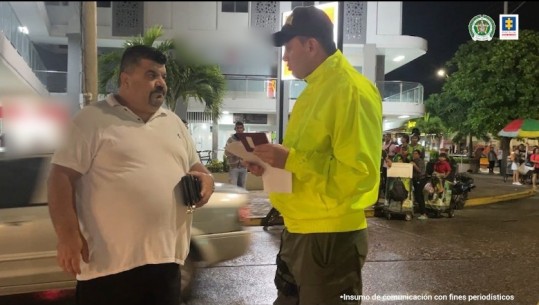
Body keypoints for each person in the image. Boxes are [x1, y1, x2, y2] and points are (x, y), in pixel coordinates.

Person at [47, 45, 215, 305]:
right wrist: (67, 234)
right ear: (126, 79)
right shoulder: (91, 119)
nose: (161, 83)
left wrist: (207, 180)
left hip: (166, 263)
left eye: (163, 77)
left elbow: (197, 168)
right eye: (151, 75)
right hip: (108, 269)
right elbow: (60, 177)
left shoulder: (173, 123)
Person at [246, 6, 382, 305]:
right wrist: (270, 165)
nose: (284, 57)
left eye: (288, 48)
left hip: (328, 237)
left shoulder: (350, 90)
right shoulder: (314, 89)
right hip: (299, 230)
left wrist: (290, 160)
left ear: (311, 45)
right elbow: (303, 159)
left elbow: (358, 176)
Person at [224, 121, 248, 188]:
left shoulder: (247, 139)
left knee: (242, 187)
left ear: (243, 129)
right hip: (234, 167)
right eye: (238, 128)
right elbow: (226, 152)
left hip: (244, 167)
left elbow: (250, 152)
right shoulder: (230, 140)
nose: (239, 129)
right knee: (233, 187)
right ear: (235, 129)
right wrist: (235, 152)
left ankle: (242, 199)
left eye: (241, 128)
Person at [411, 149, 427, 220]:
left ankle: (423, 213)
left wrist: (414, 165)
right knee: (417, 196)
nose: (414, 155)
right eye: (413, 153)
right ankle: (422, 212)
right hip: (415, 180)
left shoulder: (420, 161)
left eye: (416, 153)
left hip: (420, 180)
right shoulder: (413, 161)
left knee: (419, 196)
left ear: (419, 155)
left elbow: (420, 171)